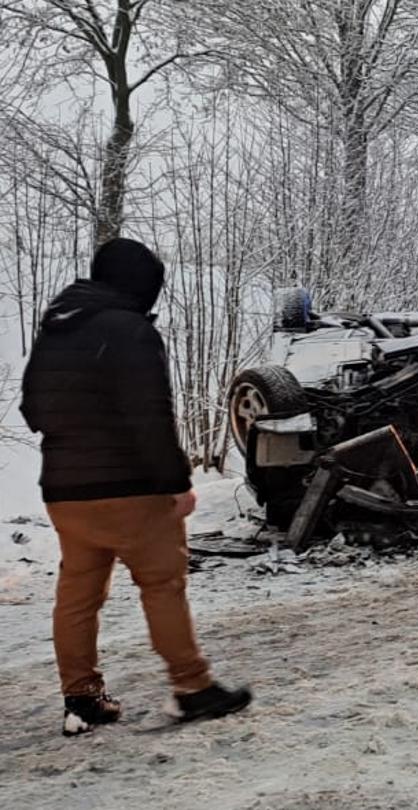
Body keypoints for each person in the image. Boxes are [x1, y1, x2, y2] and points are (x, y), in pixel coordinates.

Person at [19, 237, 252, 736]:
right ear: (140, 286)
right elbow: (151, 418)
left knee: (78, 595)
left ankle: (81, 699)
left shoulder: (56, 332)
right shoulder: (131, 332)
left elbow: (32, 411)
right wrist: (176, 482)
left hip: (66, 493)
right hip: (130, 490)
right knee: (163, 587)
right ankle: (193, 688)